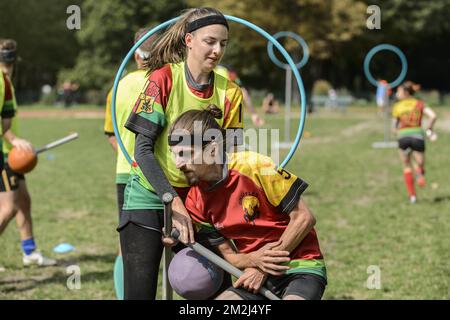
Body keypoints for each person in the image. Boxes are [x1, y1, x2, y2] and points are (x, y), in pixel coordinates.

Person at [120, 7, 244, 299]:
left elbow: (231, 158)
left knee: (220, 291)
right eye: (210, 41)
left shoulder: (231, 93)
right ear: (189, 40)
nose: (217, 50)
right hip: (150, 195)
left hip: (199, 203)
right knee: (139, 294)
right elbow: (143, 150)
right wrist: (173, 203)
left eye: (223, 44)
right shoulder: (162, 79)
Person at [167, 104, 327, 300]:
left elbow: (304, 218)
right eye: (174, 154)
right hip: (254, 274)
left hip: (300, 266)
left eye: (185, 153)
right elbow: (229, 256)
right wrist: (253, 261)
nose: (177, 163)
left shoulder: (254, 166)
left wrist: (264, 267)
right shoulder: (195, 200)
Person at [104, 28, 156, 299]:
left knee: (128, 246)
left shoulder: (119, 86)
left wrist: (130, 157)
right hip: (160, 174)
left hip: (126, 172)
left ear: (135, 54)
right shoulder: (164, 82)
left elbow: (112, 135)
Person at [0, 38, 56, 267]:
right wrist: (14, 140)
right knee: (9, 207)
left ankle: (29, 252)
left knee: (24, 201)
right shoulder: (2, 81)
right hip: (5, 155)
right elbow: (4, 126)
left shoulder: (6, 81)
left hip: (10, 152)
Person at [392, 81, 437, 204]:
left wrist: (397, 134)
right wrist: (429, 129)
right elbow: (433, 116)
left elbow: (394, 127)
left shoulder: (397, 106)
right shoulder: (419, 103)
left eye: (399, 91)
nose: (397, 94)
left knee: (406, 166)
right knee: (420, 164)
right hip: (418, 137)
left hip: (403, 138)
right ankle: (420, 173)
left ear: (405, 93)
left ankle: (412, 196)